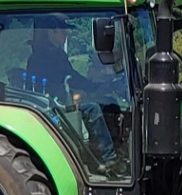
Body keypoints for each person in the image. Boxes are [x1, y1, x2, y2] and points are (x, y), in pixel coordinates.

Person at [25, 16, 119, 171]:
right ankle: (108, 157)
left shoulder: (40, 56)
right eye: (63, 30)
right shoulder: (51, 56)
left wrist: (89, 88)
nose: (66, 34)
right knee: (94, 108)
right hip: (55, 108)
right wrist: (94, 87)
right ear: (51, 32)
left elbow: (70, 79)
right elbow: (72, 79)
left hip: (55, 103)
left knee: (101, 103)